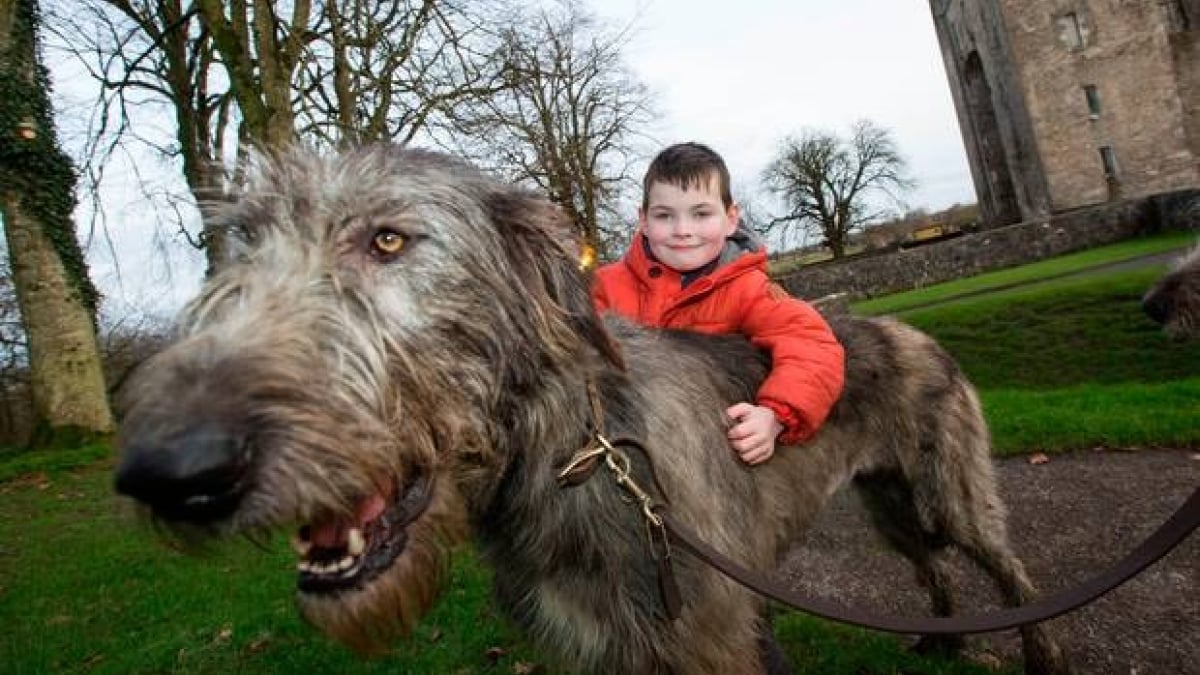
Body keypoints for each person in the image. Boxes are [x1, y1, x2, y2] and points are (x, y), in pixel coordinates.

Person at [591, 142, 845, 465]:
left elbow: (812, 344)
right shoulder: (606, 288)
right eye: (664, 216)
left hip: (710, 460)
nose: (683, 231)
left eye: (701, 214)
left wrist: (776, 414)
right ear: (643, 220)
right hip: (626, 452)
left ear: (731, 219)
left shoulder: (747, 288)